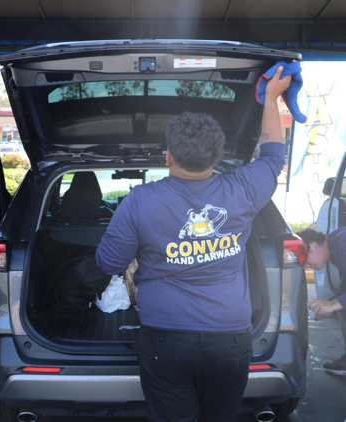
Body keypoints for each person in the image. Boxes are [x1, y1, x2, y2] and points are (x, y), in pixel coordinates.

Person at [96, 66, 292, 422]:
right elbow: (273, 157)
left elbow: (108, 264)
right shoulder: (243, 188)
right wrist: (272, 98)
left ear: (168, 154)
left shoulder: (139, 201)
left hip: (165, 342)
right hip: (230, 341)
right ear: (217, 157)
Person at [297, 227, 346, 375]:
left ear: (314, 245)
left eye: (305, 258)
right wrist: (332, 304)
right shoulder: (335, 244)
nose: (305, 266)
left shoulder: (341, 243)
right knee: (342, 307)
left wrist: (332, 304)